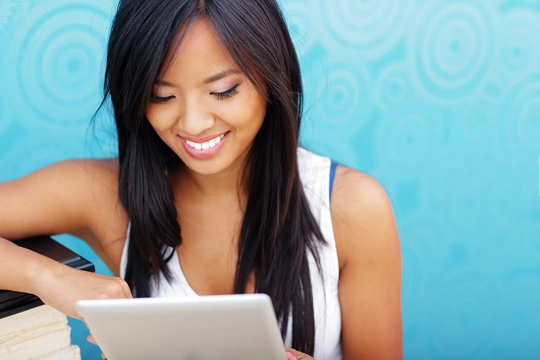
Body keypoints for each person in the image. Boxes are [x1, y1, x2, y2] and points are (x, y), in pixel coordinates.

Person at [0, 0, 402, 358]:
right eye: (161, 96)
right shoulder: (106, 194)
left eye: (224, 91)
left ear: (271, 79)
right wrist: (48, 278)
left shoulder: (351, 207)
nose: (193, 123)